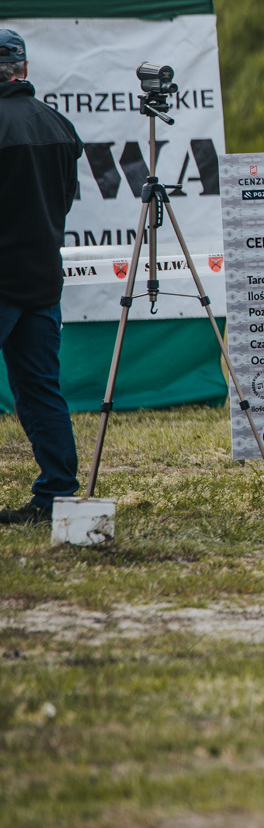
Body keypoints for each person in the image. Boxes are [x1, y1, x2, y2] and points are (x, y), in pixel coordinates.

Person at [0, 28, 83, 525]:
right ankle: (56, 494)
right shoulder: (59, 125)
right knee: (41, 391)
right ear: (24, 68)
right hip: (41, 280)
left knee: (38, 391)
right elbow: (64, 202)